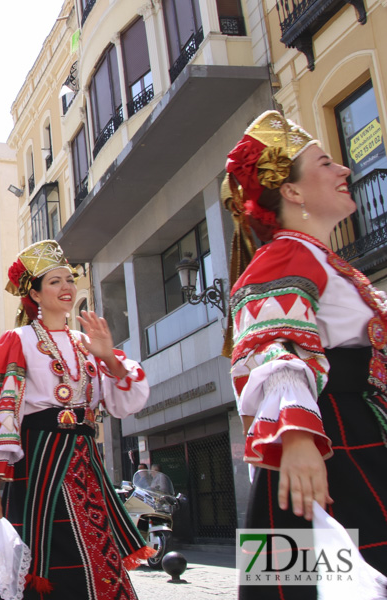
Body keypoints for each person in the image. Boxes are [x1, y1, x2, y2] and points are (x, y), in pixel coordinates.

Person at [224, 111, 387, 598]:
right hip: (325, 436)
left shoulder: (322, 259)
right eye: (325, 162)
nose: (344, 170)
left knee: (309, 580)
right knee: (312, 579)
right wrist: (294, 438)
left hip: (346, 429)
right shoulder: (284, 254)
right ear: (291, 192)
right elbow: (270, 344)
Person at [0, 240, 151, 599]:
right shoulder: (18, 340)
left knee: (96, 544)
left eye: (69, 279)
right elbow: (0, 413)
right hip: (41, 458)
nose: (67, 287)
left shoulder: (89, 342)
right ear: (35, 295)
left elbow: (124, 403)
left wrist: (110, 358)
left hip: (86, 459)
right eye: (54, 281)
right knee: (47, 550)